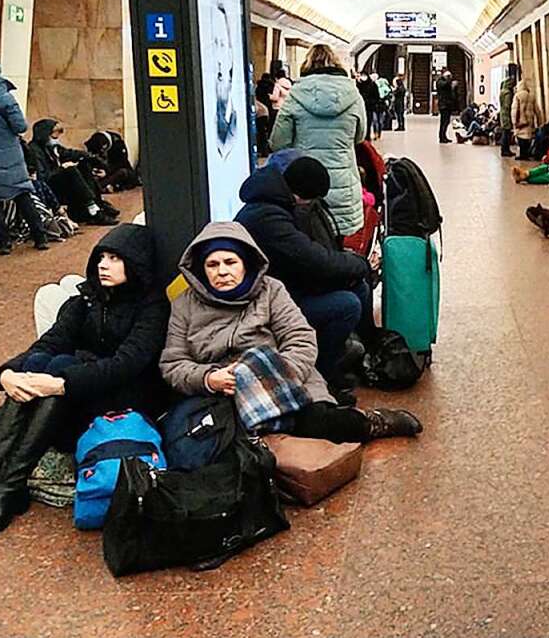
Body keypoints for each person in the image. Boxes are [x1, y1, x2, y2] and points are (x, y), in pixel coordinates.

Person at [0, 224, 170, 540]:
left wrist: (61, 383)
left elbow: (126, 365)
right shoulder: (86, 298)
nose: (104, 265)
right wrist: (7, 374)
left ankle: (8, 488)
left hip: (127, 401)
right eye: (101, 257)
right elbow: (49, 342)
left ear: (137, 264)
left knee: (60, 368)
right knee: (43, 362)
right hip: (81, 392)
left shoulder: (152, 306)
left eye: (115, 258)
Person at [159, 222, 422, 445]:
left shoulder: (270, 291)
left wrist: (273, 376)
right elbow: (173, 363)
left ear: (245, 263)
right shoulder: (185, 304)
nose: (222, 271)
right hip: (221, 392)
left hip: (281, 378)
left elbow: (301, 339)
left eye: (230, 261)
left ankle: (373, 424)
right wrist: (208, 378)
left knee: (323, 425)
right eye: (212, 264)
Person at [234, 157, 375, 401]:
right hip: (261, 305)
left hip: (282, 286)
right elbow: (314, 260)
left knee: (358, 287)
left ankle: (361, 353)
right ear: (301, 196)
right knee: (346, 306)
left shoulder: (274, 203)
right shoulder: (268, 218)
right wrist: (361, 264)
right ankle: (323, 373)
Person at [269, 44, 367, 237]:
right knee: (337, 245)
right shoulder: (353, 95)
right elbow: (360, 136)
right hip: (343, 184)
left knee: (307, 243)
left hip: (304, 186)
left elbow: (279, 142)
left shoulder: (295, 95)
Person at [0, 53, 49, 254]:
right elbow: (20, 126)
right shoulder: (3, 97)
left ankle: (3, 243)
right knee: (22, 194)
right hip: (9, 157)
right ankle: (40, 237)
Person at [26, 119, 119, 226]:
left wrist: (92, 159)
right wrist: (62, 168)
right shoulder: (35, 150)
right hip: (50, 187)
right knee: (70, 171)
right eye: (55, 132)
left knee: (83, 165)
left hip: (61, 182)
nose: (57, 136)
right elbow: (43, 177)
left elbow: (70, 153)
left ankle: (97, 203)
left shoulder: (52, 148)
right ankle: (93, 210)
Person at [511, 78, 542, 160]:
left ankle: (523, 154)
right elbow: (537, 110)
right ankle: (526, 154)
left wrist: (514, 122)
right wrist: (539, 122)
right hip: (529, 121)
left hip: (520, 121)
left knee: (521, 138)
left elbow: (514, 110)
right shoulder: (531, 96)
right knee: (528, 137)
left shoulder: (517, 96)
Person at [498, 64, 518, 157]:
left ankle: (504, 149)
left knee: (504, 133)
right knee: (506, 134)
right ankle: (505, 150)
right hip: (506, 115)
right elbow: (507, 105)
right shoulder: (508, 93)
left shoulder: (502, 91)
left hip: (503, 114)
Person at [356, 73, 380, 141]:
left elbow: (376, 97)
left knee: (368, 123)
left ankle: (367, 137)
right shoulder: (359, 85)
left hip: (369, 108)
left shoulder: (372, 85)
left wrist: (371, 102)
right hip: (360, 107)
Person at [435, 70, 455, 143]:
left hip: (448, 104)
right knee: (443, 122)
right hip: (443, 105)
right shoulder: (440, 82)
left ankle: (444, 136)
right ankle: (441, 137)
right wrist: (450, 81)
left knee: (446, 121)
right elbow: (444, 85)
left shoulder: (446, 82)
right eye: (448, 76)